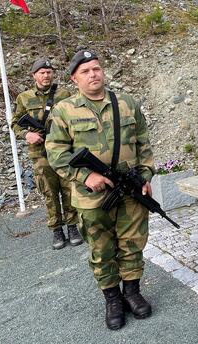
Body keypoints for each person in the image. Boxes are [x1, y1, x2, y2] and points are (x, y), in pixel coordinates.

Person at [46, 50, 155, 330]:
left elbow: (143, 144)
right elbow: (56, 153)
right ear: (74, 79)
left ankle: (132, 291)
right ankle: (112, 299)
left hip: (130, 191)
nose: (93, 74)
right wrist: (85, 175)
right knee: (101, 249)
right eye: (85, 71)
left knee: (133, 243)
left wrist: (144, 176)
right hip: (91, 198)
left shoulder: (127, 103)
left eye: (96, 68)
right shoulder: (64, 110)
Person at [11, 58, 80, 250]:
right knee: (49, 192)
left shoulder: (64, 94)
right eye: (42, 72)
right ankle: (57, 229)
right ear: (34, 75)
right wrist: (27, 134)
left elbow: (74, 118)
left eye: (49, 72)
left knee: (68, 188)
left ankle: (72, 226)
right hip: (40, 153)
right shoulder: (24, 98)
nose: (46, 75)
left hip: (64, 150)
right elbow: (15, 122)